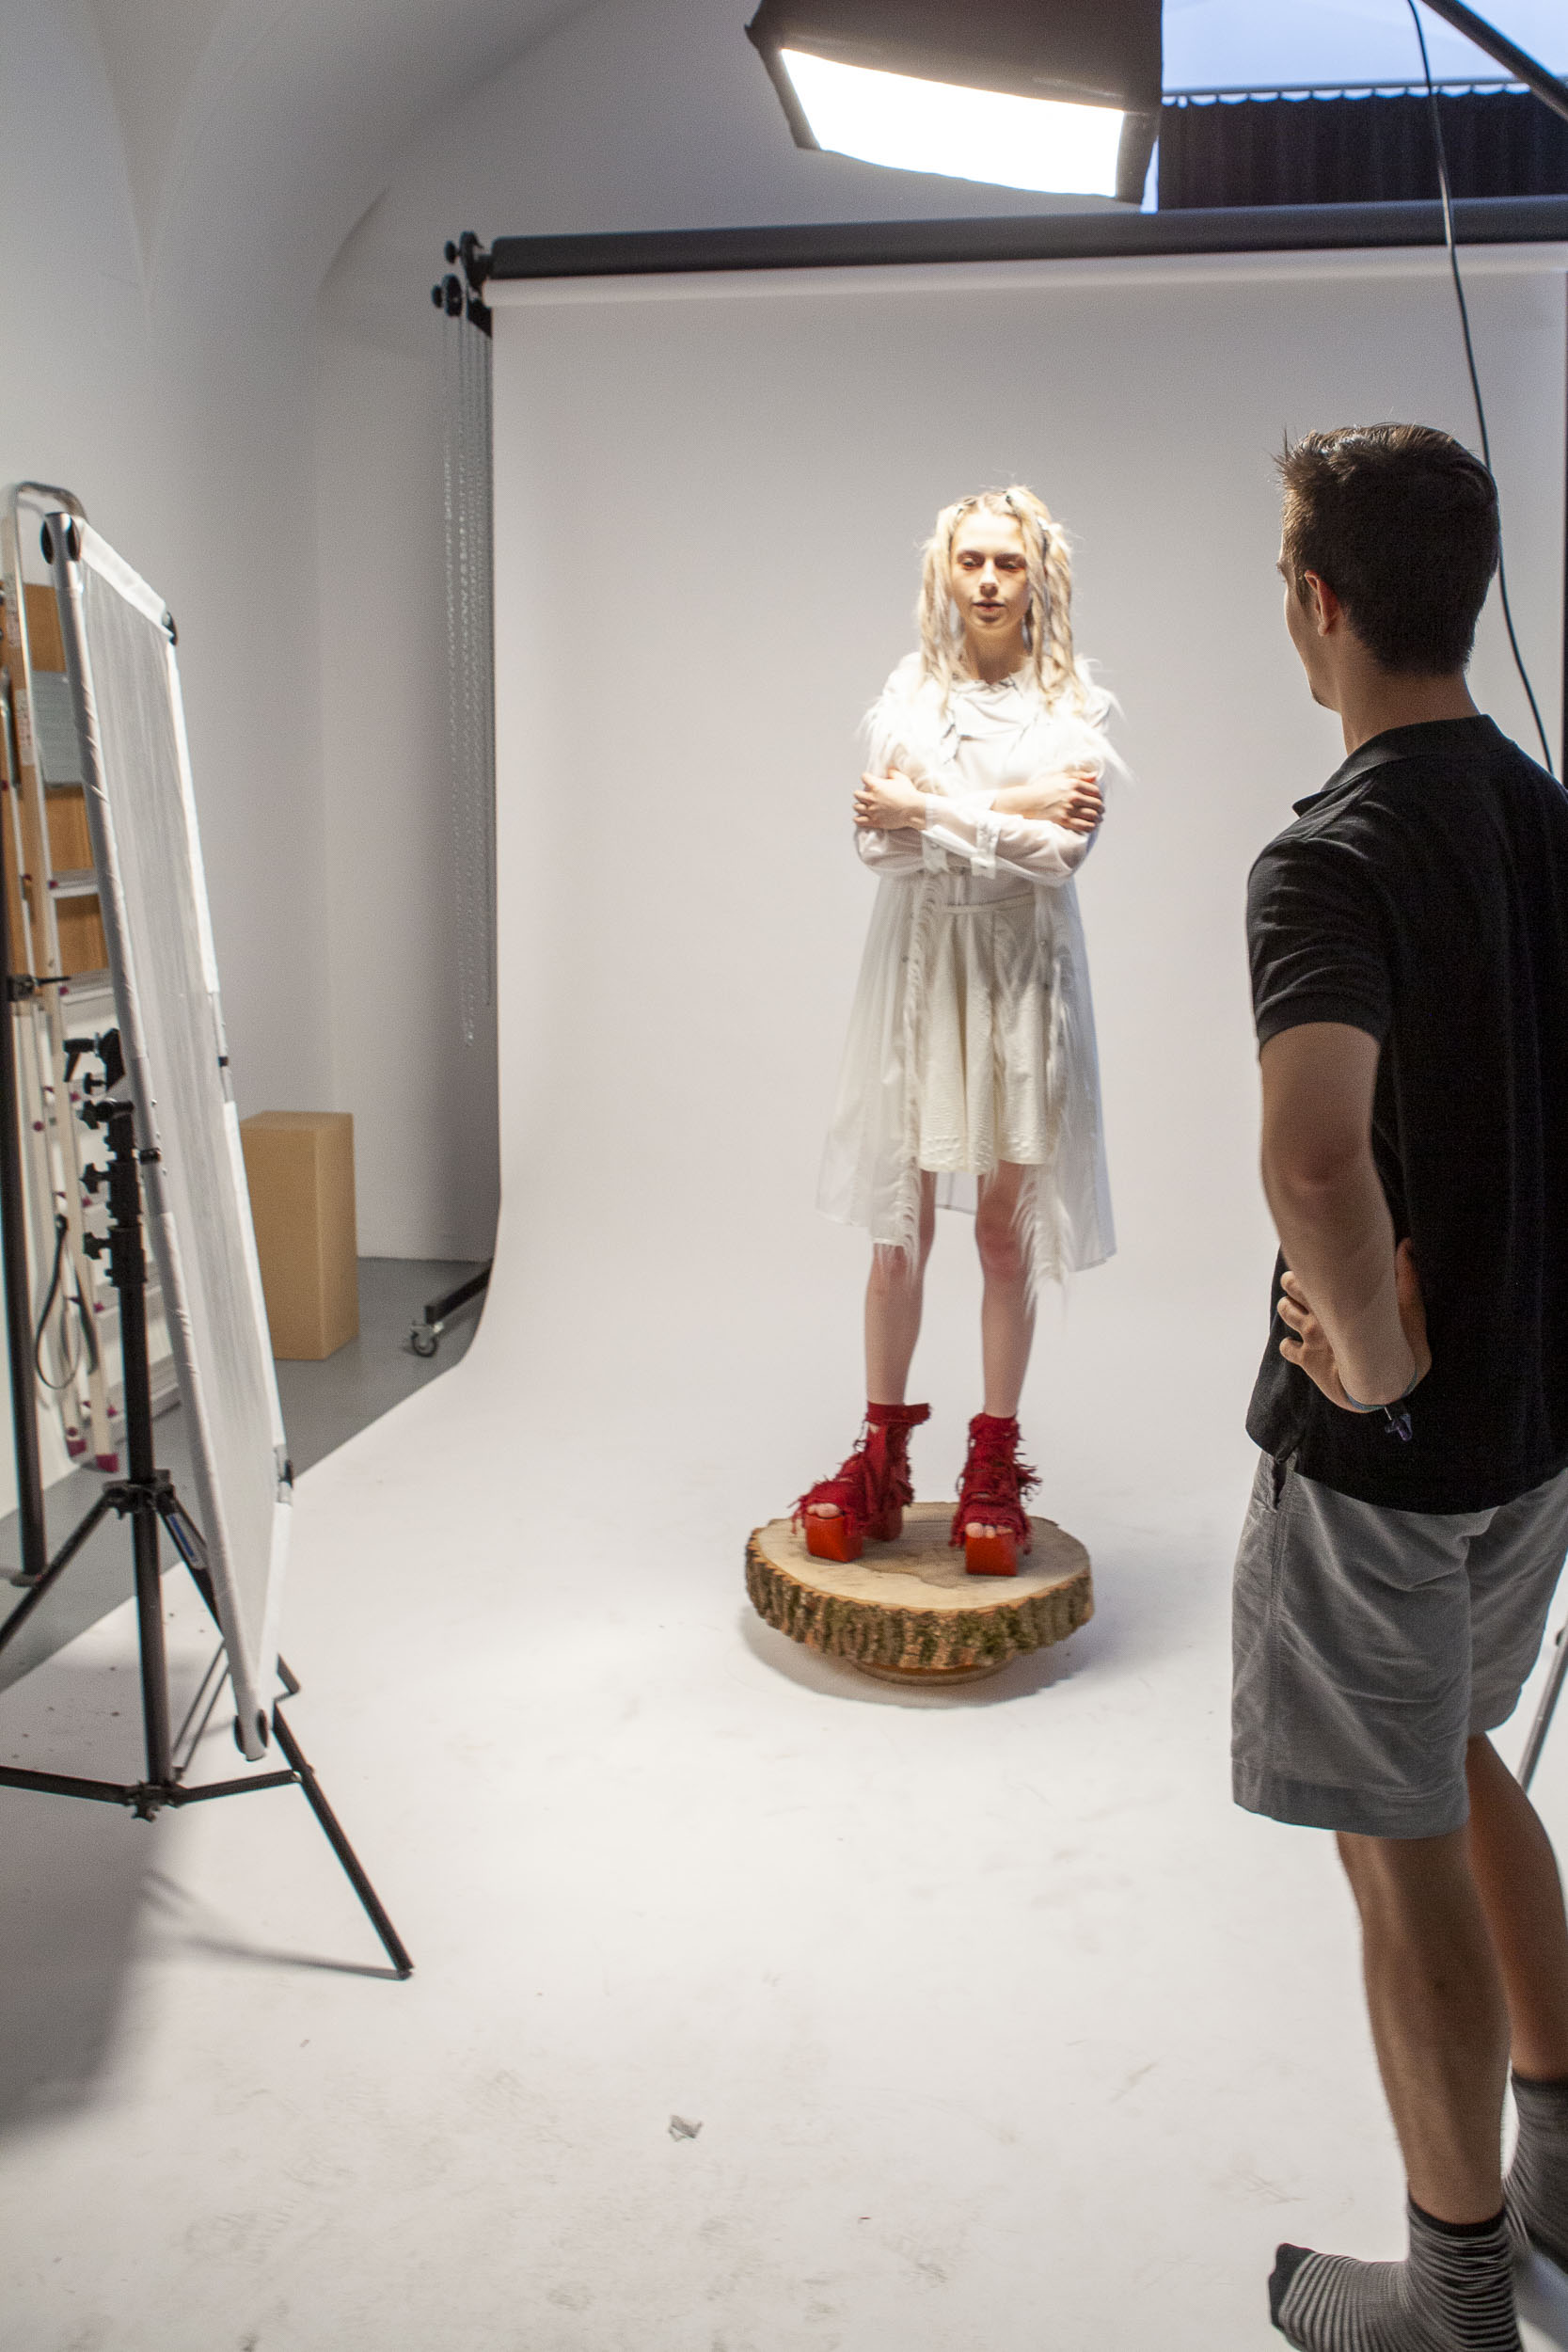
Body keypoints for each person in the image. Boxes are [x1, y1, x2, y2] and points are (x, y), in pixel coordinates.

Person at [1234, 421, 1568, 2352]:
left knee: (1395, 1842)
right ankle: (1559, 2192)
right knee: (1449, 1759)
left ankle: (1453, 2299)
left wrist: (1367, 1360)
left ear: (1319, 599)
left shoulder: (1329, 854)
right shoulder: (1546, 818)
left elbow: (1309, 1153)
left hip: (1388, 1466)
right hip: (1533, 1435)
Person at [800, 485, 1115, 1577]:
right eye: (970, 560)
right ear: (944, 571)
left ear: (1037, 576)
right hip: (923, 964)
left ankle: (992, 1461)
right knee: (898, 1227)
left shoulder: (1071, 707)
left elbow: (1058, 859)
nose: (986, 581)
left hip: (1022, 974)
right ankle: (880, 1454)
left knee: (1002, 1227)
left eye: (1006, 563)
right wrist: (1016, 805)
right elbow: (875, 850)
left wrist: (928, 811)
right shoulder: (910, 696)